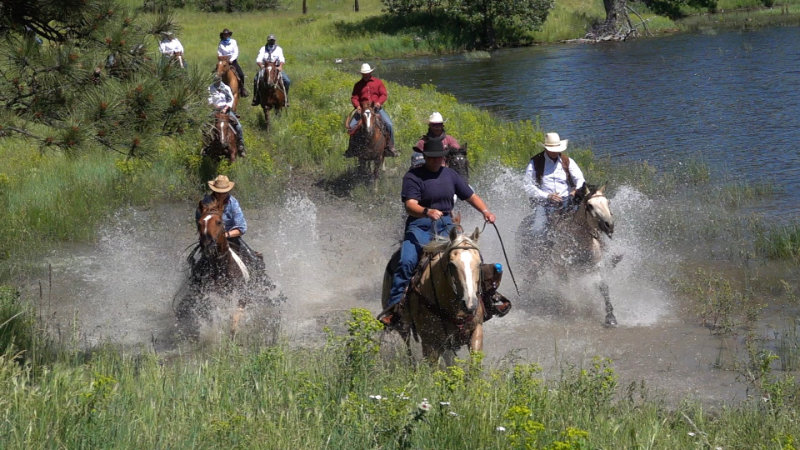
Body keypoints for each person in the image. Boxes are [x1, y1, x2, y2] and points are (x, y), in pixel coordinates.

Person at [380, 138, 496, 326]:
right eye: (431, 158)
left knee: (471, 257)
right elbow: (410, 205)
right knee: (407, 260)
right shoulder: (413, 176)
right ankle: (394, 309)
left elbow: (470, 196)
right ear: (425, 157)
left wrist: (485, 211)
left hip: (446, 225)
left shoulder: (450, 175)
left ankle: (487, 299)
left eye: (439, 158)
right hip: (419, 226)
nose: (435, 161)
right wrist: (427, 211)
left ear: (444, 158)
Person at [521, 132, 586, 243]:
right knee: (538, 229)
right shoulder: (535, 162)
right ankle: (535, 256)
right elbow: (527, 185)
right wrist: (547, 195)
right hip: (544, 203)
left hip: (568, 200)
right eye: (553, 150)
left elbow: (580, 179)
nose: (556, 152)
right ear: (546, 149)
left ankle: (604, 248)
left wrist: (575, 191)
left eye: (558, 149)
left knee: (591, 220)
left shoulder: (567, 161)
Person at [195, 175, 263, 271]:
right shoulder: (204, 203)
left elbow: (241, 228)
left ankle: (264, 281)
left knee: (254, 260)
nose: (221, 195)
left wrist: (225, 235)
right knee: (194, 264)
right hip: (209, 239)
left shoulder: (233, 203)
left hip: (231, 238)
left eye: (224, 192)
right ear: (214, 190)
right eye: (218, 192)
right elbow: (200, 224)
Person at [349, 63, 396, 157]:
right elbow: (354, 97)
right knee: (351, 126)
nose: (365, 75)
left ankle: (390, 147)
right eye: (364, 73)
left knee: (389, 124)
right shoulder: (358, 85)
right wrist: (357, 106)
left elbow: (383, 94)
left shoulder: (378, 82)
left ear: (370, 72)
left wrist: (379, 102)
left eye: (367, 73)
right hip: (362, 110)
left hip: (376, 109)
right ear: (361, 74)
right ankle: (351, 149)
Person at [208, 74, 246, 156]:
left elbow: (230, 99)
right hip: (215, 110)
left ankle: (240, 145)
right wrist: (215, 106)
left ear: (221, 80)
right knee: (206, 126)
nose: (217, 82)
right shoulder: (210, 88)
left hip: (226, 109)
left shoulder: (226, 88)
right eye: (215, 80)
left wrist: (225, 108)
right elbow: (209, 99)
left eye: (218, 80)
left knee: (238, 126)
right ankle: (207, 147)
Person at [252, 34, 291, 106]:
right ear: (268, 41)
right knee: (256, 79)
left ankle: (285, 98)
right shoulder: (263, 49)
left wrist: (280, 66)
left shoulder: (279, 49)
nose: (271, 42)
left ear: (275, 41)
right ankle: (256, 98)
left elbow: (282, 59)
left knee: (287, 81)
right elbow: (258, 59)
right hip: (265, 67)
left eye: (273, 40)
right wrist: (261, 66)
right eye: (270, 40)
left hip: (275, 67)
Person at [217, 28, 248, 98]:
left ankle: (242, 89)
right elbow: (219, 52)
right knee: (216, 73)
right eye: (225, 34)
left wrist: (231, 59)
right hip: (223, 61)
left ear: (229, 35)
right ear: (223, 35)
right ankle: (215, 89)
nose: (226, 35)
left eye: (227, 34)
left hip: (232, 61)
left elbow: (236, 52)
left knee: (241, 74)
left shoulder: (233, 42)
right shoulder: (221, 43)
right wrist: (221, 58)